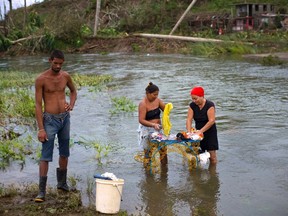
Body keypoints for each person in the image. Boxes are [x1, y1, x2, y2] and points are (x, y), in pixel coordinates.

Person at [34, 50, 77, 202]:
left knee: (64, 152)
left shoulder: (65, 76)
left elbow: (73, 91)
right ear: (50, 60)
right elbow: (38, 105)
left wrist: (71, 105)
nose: (58, 66)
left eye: (60, 63)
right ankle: (41, 192)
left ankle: (62, 183)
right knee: (45, 155)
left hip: (65, 119)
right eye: (55, 63)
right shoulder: (41, 79)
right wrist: (41, 128)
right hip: (49, 120)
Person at [186, 86, 218, 164]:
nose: (194, 101)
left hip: (210, 132)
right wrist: (189, 132)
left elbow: (211, 121)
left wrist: (200, 131)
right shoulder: (192, 105)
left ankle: (213, 174)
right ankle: (199, 174)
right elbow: (189, 119)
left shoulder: (209, 105)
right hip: (199, 134)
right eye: (192, 99)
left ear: (202, 96)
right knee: (198, 155)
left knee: (212, 157)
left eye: (195, 99)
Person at [138, 82, 167, 166]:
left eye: (157, 95)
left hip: (158, 129)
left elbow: (166, 110)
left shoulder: (158, 101)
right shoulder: (143, 104)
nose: (156, 97)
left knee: (163, 151)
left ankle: (164, 173)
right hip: (147, 130)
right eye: (154, 95)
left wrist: (168, 108)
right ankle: (148, 175)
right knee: (148, 153)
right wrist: (153, 125)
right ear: (147, 94)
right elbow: (141, 120)